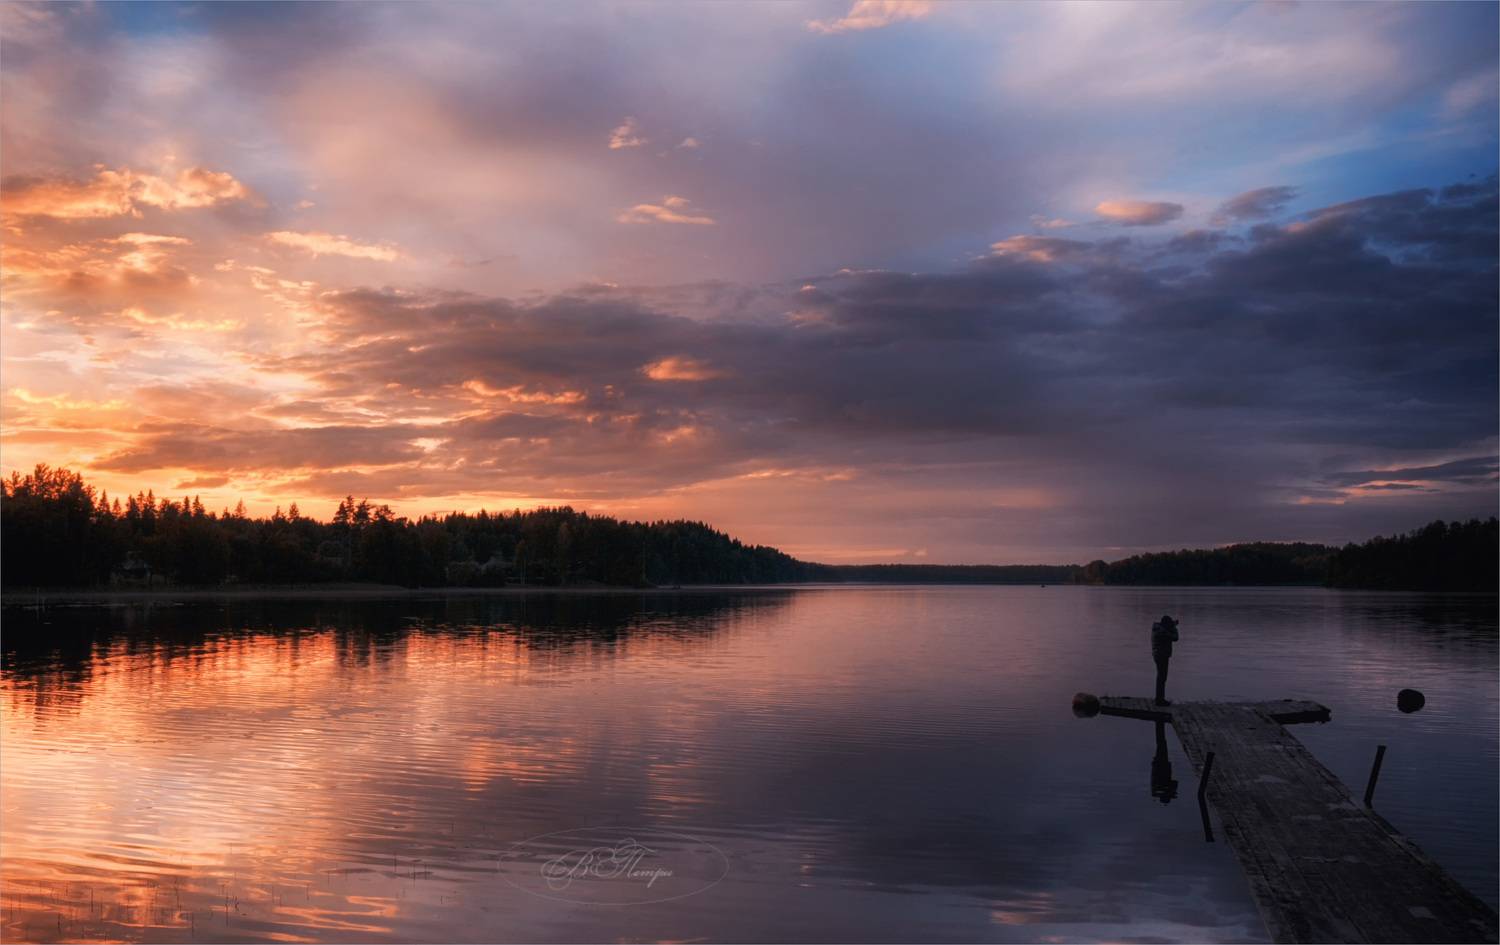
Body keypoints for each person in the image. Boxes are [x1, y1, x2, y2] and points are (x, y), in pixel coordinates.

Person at [1151, 614, 1179, 706]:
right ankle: (1160, 700)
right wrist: (1174, 627)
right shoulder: (1162, 631)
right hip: (1161, 655)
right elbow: (1175, 638)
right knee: (1162, 678)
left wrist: (1171, 625)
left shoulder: (1159, 629)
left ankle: (1159, 699)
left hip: (1159, 655)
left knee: (1161, 677)